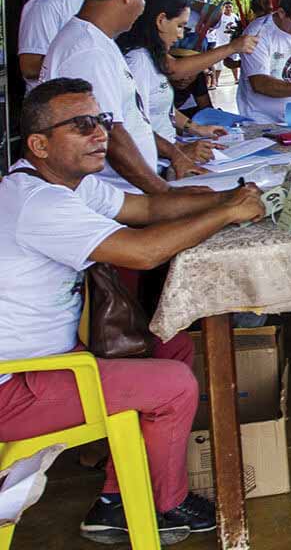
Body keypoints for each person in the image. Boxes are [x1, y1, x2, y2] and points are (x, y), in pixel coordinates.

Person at [0, 78, 266, 544]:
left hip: (52, 357)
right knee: (173, 386)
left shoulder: (64, 184)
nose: (100, 133)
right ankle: (158, 507)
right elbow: (142, 252)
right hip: (15, 385)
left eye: (100, 120)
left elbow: (145, 208)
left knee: (171, 343)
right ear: (40, 144)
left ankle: (116, 498)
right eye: (81, 125)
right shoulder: (37, 203)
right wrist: (226, 215)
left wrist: (230, 196)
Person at [40, 0, 202, 192]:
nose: (143, 8)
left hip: (130, 190)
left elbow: (132, 120)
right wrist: (163, 193)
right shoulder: (90, 51)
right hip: (117, 193)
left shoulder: (100, 42)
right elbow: (111, 136)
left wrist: (174, 154)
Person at [117, 0, 258, 163]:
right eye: (180, 26)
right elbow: (135, 126)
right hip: (155, 163)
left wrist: (196, 129)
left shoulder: (153, 57)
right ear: (161, 21)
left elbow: (159, 108)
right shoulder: (137, 61)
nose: (181, 35)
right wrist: (179, 151)